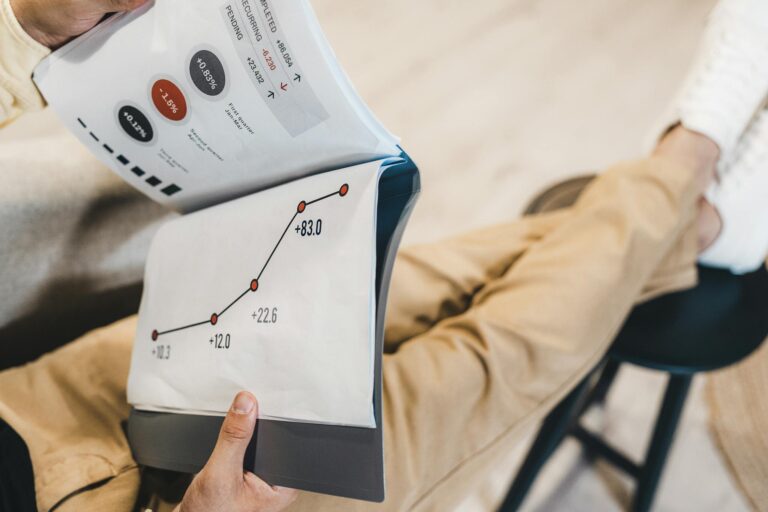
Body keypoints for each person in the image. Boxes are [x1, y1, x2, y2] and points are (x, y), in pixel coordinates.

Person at [0, 0, 765, 511]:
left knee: (408, 271)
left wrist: (26, 21)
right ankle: (692, 155)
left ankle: (696, 220)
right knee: (494, 356)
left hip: (33, 405)